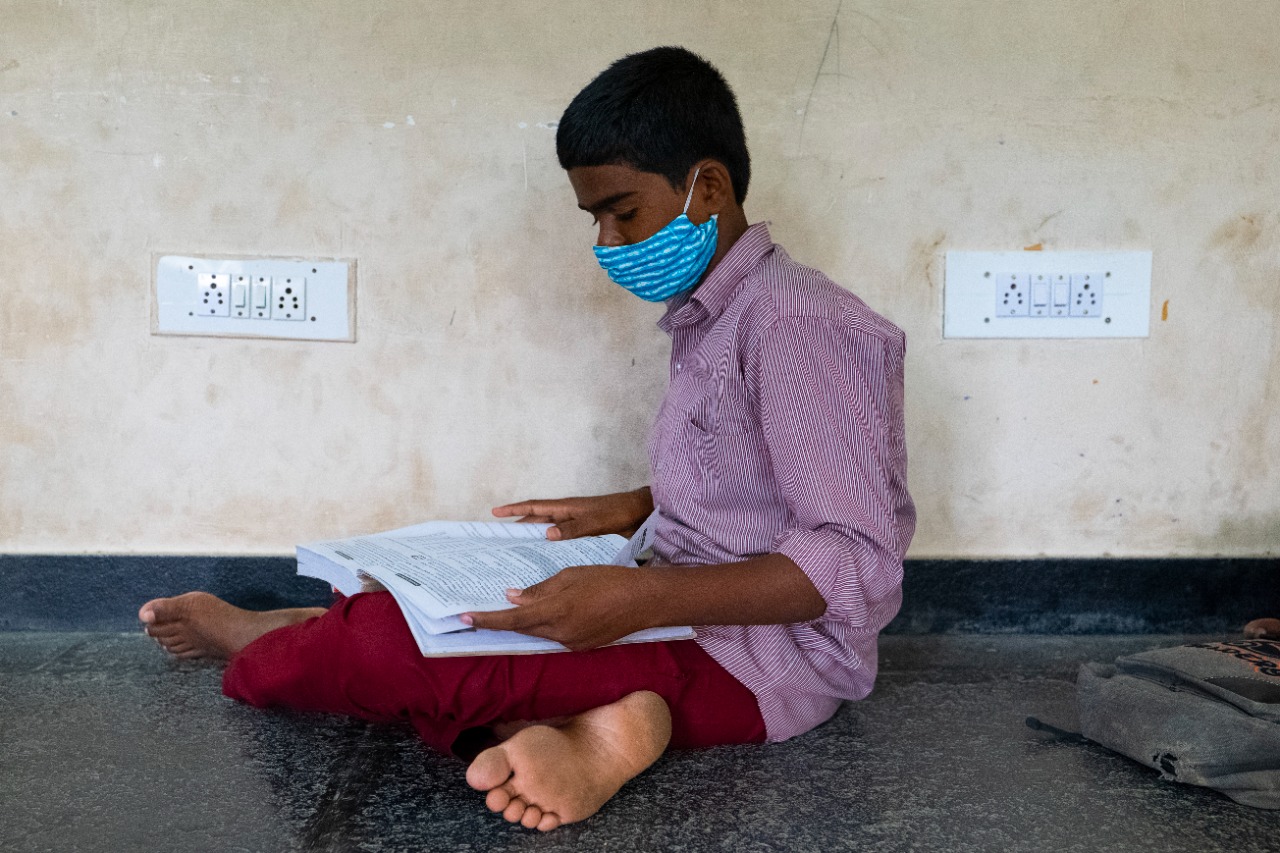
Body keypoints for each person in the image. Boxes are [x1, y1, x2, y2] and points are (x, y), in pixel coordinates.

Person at [139, 46, 915, 832]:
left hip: (762, 658)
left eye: (623, 211)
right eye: (596, 220)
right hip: (677, 603)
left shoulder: (799, 323)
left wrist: (640, 594)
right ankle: (589, 730)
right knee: (427, 600)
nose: (608, 243)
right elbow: (763, 473)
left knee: (385, 645)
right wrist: (636, 508)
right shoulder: (721, 313)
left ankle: (265, 646)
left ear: (706, 187)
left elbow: (853, 557)